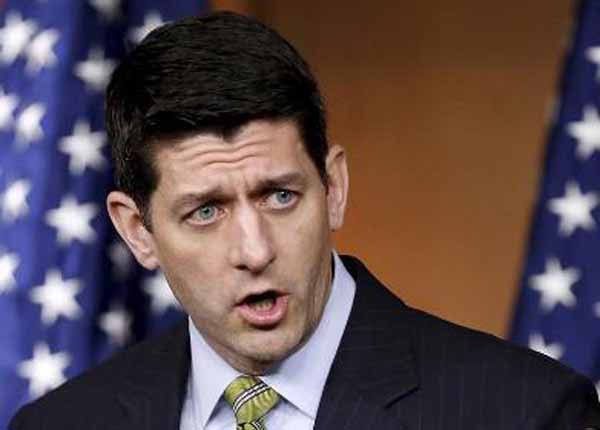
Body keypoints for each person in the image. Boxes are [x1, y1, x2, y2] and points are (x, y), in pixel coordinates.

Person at [9, 11, 600, 430]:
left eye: (279, 196)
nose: (254, 248)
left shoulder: (523, 412)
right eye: (206, 211)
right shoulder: (60, 422)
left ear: (333, 187)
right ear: (138, 231)